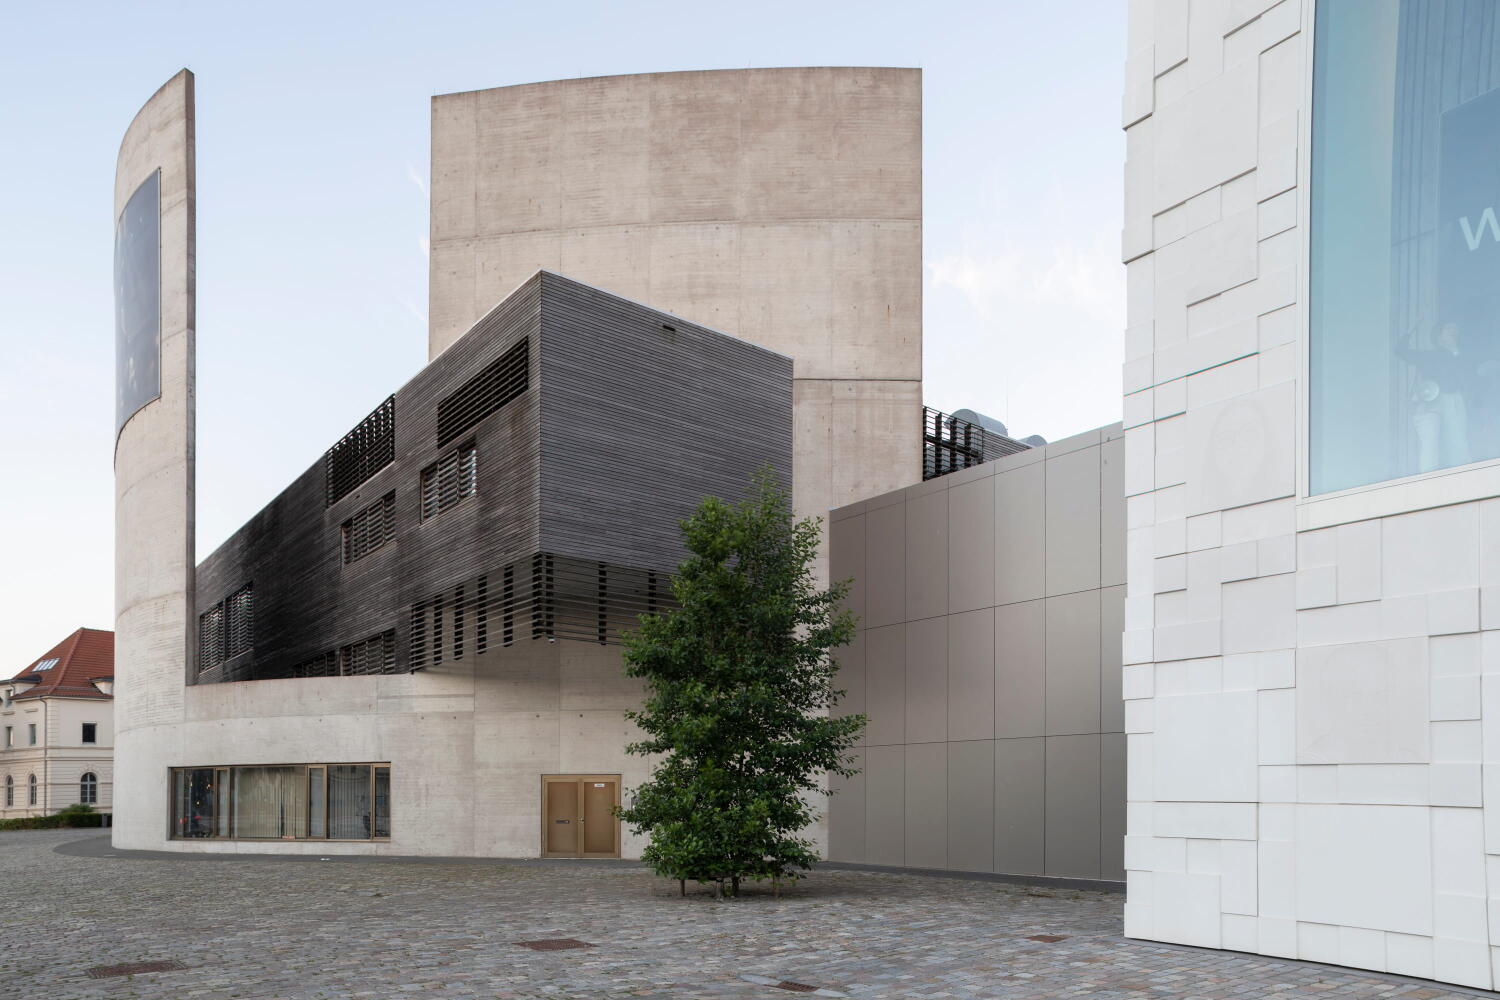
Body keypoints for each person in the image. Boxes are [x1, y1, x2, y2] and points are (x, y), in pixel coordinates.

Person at [1397, 322, 1474, 473]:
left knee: (1458, 443)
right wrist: (1410, 330)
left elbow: (1468, 375)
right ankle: (1429, 477)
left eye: (1455, 328)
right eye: (1448, 328)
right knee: (1430, 442)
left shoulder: (1461, 356)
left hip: (1453, 400)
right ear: (1438, 336)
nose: (1453, 331)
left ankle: (1461, 476)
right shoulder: (1430, 356)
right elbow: (1400, 350)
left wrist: (1455, 351)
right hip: (1433, 400)